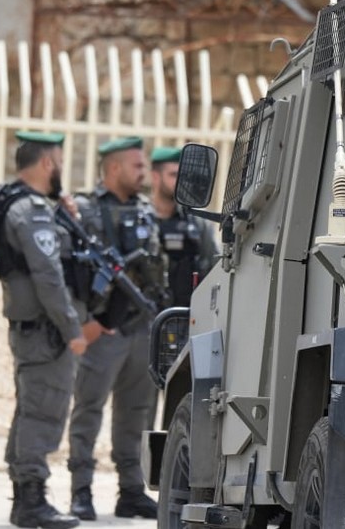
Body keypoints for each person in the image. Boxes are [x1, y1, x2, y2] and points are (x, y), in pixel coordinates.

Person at [66, 136, 168, 521]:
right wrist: (89, 322)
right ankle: (81, 490)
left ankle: (131, 489)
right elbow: (73, 272)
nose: (144, 173)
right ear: (113, 169)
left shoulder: (144, 211)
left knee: (137, 413)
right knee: (89, 409)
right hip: (104, 327)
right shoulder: (86, 210)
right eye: (137, 166)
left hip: (141, 327)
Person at [0, 132, 86, 529]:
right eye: (60, 163)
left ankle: (25, 497)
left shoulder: (36, 208)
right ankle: (31, 500)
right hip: (45, 331)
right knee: (43, 410)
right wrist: (72, 328)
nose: (61, 171)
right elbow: (49, 277)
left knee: (32, 407)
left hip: (34, 329)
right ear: (48, 163)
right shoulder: (30, 211)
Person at [149, 146, 219, 308]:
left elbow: (215, 266)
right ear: (155, 177)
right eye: (173, 175)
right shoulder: (139, 217)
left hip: (186, 316)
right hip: (143, 320)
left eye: (183, 175)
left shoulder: (196, 221)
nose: (180, 181)